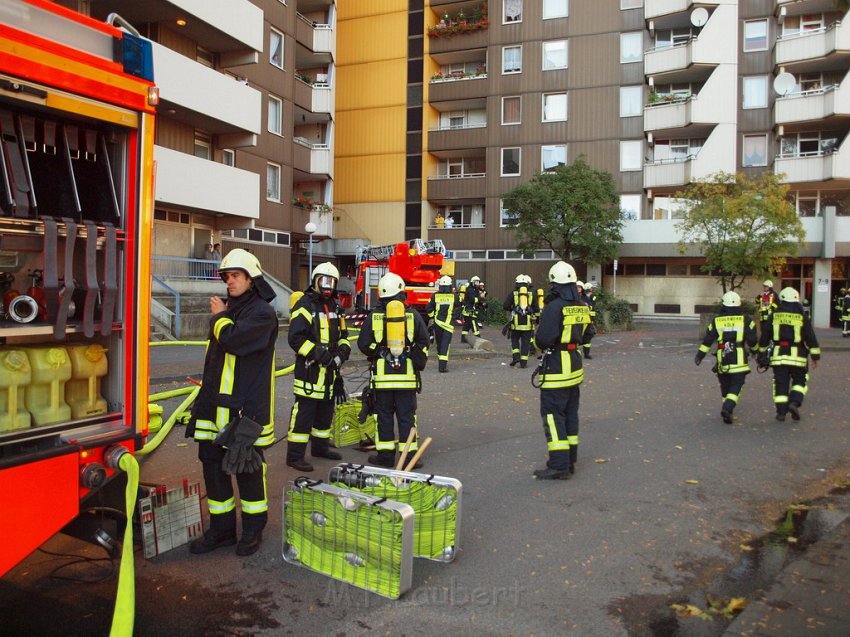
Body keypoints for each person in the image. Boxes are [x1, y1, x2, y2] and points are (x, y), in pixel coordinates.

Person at [187, 248, 278, 556]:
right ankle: (222, 529)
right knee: (212, 467)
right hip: (214, 407)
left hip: (244, 411)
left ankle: (253, 530)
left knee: (247, 470)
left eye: (235, 276)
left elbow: (234, 341)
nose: (229, 282)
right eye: (226, 276)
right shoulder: (231, 310)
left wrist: (220, 317)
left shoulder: (262, 313)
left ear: (252, 279)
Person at [357, 272, 430, 468]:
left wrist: (378, 352)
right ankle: (409, 458)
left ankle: (385, 458)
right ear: (401, 292)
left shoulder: (374, 317)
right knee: (407, 418)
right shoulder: (412, 315)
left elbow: (363, 344)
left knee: (384, 418)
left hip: (382, 380)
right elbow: (424, 342)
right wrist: (415, 360)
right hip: (406, 380)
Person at [286, 262, 351, 472]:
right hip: (310, 371)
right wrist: (320, 355)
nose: (328, 286)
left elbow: (343, 337)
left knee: (325, 412)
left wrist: (342, 353)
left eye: (331, 282)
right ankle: (295, 456)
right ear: (314, 281)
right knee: (304, 414)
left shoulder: (336, 307)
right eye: (324, 281)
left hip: (331, 372)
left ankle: (320, 448)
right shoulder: (304, 305)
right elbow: (295, 339)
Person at [532, 261, 591, 480]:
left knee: (553, 416)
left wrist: (539, 344)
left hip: (556, 368)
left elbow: (543, 339)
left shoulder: (554, 306)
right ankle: (570, 461)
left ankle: (559, 466)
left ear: (554, 283)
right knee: (570, 415)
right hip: (575, 367)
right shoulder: (582, 304)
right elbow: (588, 334)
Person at [756, 287, 821, 422]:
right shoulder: (802, 317)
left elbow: (765, 336)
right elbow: (810, 337)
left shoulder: (774, 315)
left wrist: (761, 353)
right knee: (800, 381)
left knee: (780, 383)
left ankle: (781, 412)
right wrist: (815, 357)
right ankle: (794, 402)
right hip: (798, 356)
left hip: (779, 356)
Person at [694, 291, 758, 424]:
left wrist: (700, 355)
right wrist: (757, 352)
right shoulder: (746, 320)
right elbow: (752, 340)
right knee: (737, 384)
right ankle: (727, 408)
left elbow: (708, 340)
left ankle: (727, 410)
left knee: (725, 385)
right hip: (739, 360)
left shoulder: (717, 321)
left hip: (723, 359)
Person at [425, 274, 460, 372]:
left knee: (440, 344)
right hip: (448, 325)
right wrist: (455, 315)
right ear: (450, 286)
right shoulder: (454, 296)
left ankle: (441, 362)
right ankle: (442, 366)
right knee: (445, 344)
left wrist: (432, 316)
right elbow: (461, 303)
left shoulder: (435, 295)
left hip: (437, 323)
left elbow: (428, 308)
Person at [503, 274, 537, 368]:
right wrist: (536, 320)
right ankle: (523, 362)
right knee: (526, 343)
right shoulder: (532, 294)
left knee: (514, 340)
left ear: (516, 283)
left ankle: (516, 356)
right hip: (528, 324)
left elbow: (505, 306)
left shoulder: (513, 293)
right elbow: (536, 309)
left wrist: (512, 309)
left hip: (516, 324)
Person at [461, 275, 486, 342]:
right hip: (469, 311)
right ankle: (478, 339)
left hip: (470, 311)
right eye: (476, 282)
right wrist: (480, 299)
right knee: (474, 325)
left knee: (466, 326)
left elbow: (476, 300)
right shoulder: (470, 290)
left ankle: (463, 339)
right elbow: (472, 300)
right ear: (472, 282)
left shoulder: (475, 290)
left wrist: (482, 304)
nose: (477, 283)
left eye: (478, 282)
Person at [582, 281, 598, 359]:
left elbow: (592, 306)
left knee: (589, 335)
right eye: (591, 288)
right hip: (583, 319)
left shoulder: (593, 296)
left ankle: (586, 353)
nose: (592, 289)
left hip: (590, 319)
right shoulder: (582, 296)